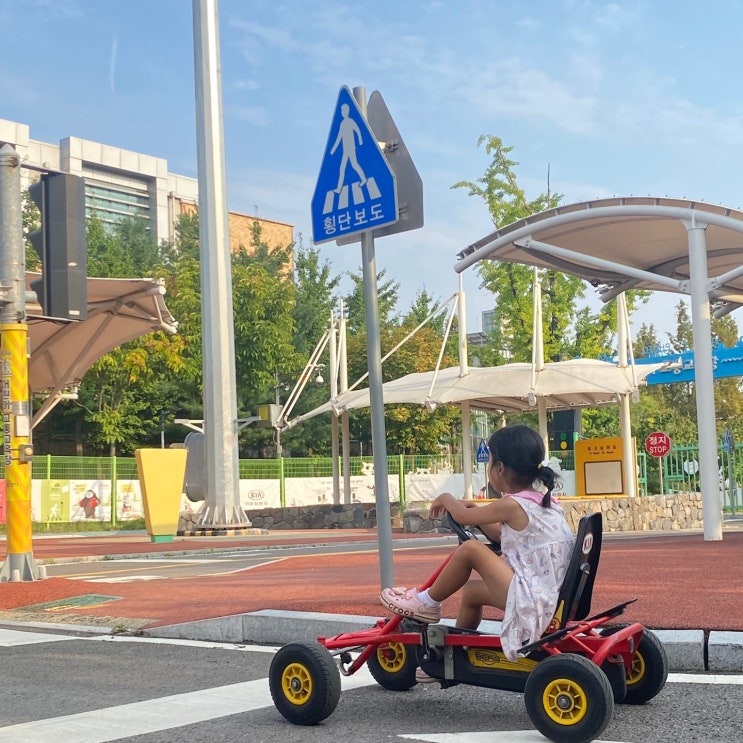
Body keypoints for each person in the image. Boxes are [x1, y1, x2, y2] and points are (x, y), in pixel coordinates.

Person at [380, 424, 575, 664]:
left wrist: (446, 497)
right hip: (551, 594)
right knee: (472, 592)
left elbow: (461, 518)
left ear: (500, 469)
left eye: (489, 463)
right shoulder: (545, 501)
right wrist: (476, 510)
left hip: (534, 598)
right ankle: (454, 658)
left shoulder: (512, 504)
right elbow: (502, 537)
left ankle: (427, 602)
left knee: (471, 549)